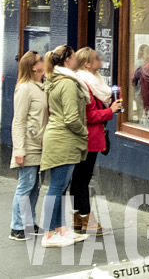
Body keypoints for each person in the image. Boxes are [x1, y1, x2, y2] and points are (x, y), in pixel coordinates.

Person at [40, 45, 89, 248]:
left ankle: (59, 229)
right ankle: (49, 233)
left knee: (60, 187)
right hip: (64, 139)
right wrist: (84, 132)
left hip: (58, 137)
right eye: (74, 55)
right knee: (57, 187)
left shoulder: (55, 80)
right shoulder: (68, 84)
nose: (77, 58)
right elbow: (71, 118)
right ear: (67, 59)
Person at [70, 47, 121, 236]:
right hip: (87, 138)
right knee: (83, 178)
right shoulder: (84, 84)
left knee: (79, 178)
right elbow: (88, 115)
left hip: (91, 137)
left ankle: (78, 218)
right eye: (96, 58)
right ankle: (87, 220)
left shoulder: (96, 81)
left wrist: (111, 102)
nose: (101, 60)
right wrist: (110, 111)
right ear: (87, 64)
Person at [10, 51, 47, 242]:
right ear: (33, 66)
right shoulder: (25, 88)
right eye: (40, 60)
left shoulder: (42, 86)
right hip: (29, 144)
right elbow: (18, 120)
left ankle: (29, 222)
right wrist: (19, 149)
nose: (44, 61)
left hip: (42, 144)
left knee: (35, 186)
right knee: (25, 184)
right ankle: (17, 227)